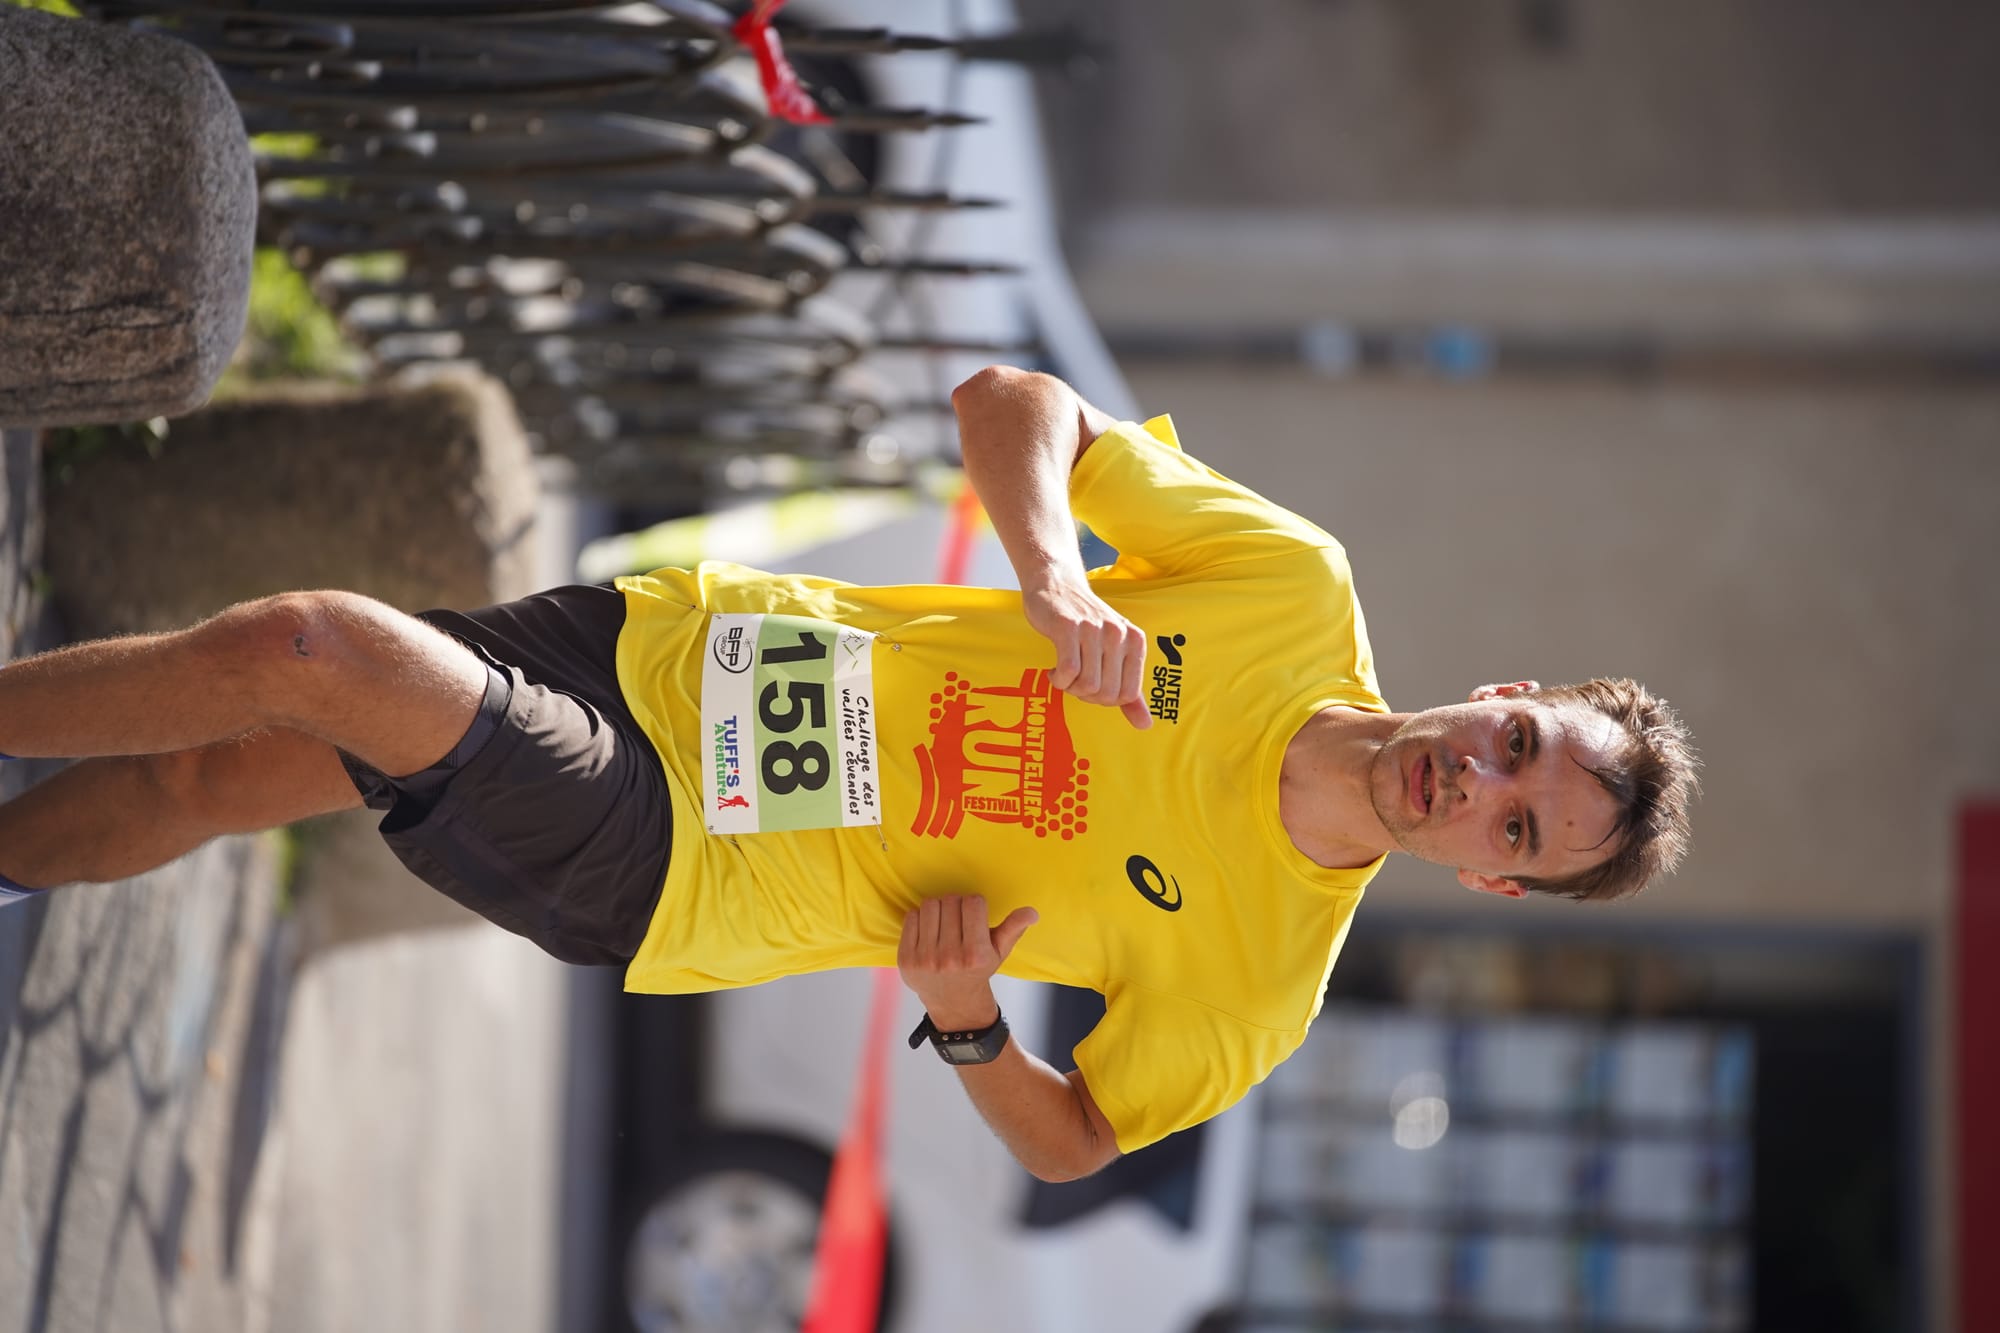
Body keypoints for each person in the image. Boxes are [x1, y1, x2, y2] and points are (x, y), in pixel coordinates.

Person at [0, 365, 1697, 1181]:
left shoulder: (1262, 981)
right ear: (1508, 692)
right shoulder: (1295, 589)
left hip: (679, 859)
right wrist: (1056, 572)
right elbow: (1013, 403)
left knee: (323, 651)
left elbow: (1077, 1137)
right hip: (675, 643)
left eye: (1520, 827)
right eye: (1521, 745)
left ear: (1495, 878)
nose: (1485, 780)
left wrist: (970, 1029)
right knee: (225, 769)